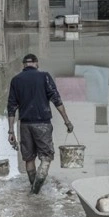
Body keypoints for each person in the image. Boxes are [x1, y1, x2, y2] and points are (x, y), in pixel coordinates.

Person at [8, 54, 73, 194]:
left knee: (29, 158)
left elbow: (11, 107)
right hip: (42, 124)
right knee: (46, 157)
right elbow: (57, 100)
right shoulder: (44, 77)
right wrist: (66, 121)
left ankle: (34, 189)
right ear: (36, 63)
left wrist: (10, 131)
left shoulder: (16, 80)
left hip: (24, 125)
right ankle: (36, 190)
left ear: (23, 65)